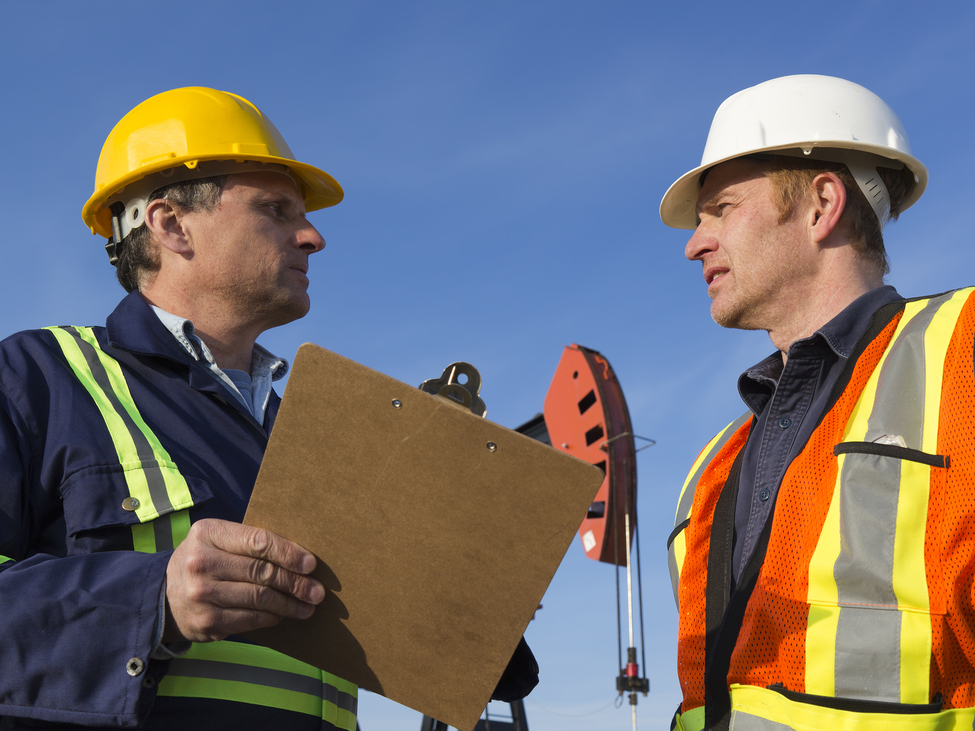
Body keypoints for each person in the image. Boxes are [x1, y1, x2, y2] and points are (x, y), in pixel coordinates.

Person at [0, 87, 536, 730]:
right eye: (276, 210)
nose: (312, 237)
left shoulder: (317, 433)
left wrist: (477, 579)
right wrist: (155, 601)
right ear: (170, 225)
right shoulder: (40, 380)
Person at [661, 75, 975, 731]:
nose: (694, 243)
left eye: (720, 209)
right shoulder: (710, 470)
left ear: (819, 204)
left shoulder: (962, 350)